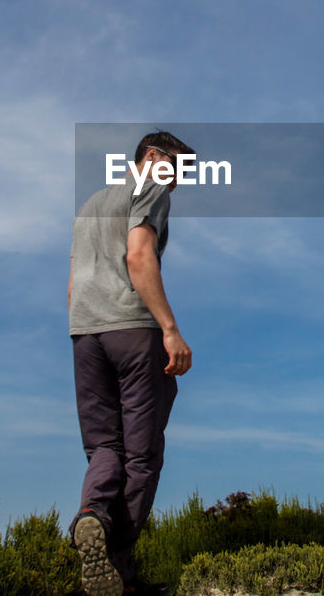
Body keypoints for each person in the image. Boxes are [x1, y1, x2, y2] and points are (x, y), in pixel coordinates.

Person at [67, 131, 195, 596]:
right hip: (132, 331)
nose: (178, 182)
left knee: (103, 446)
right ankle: (118, 566)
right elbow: (139, 256)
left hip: (85, 334)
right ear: (154, 158)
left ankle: (92, 518)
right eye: (179, 168)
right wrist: (169, 329)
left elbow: (72, 283)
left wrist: (86, 327)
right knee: (142, 456)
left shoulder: (91, 205)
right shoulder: (151, 189)